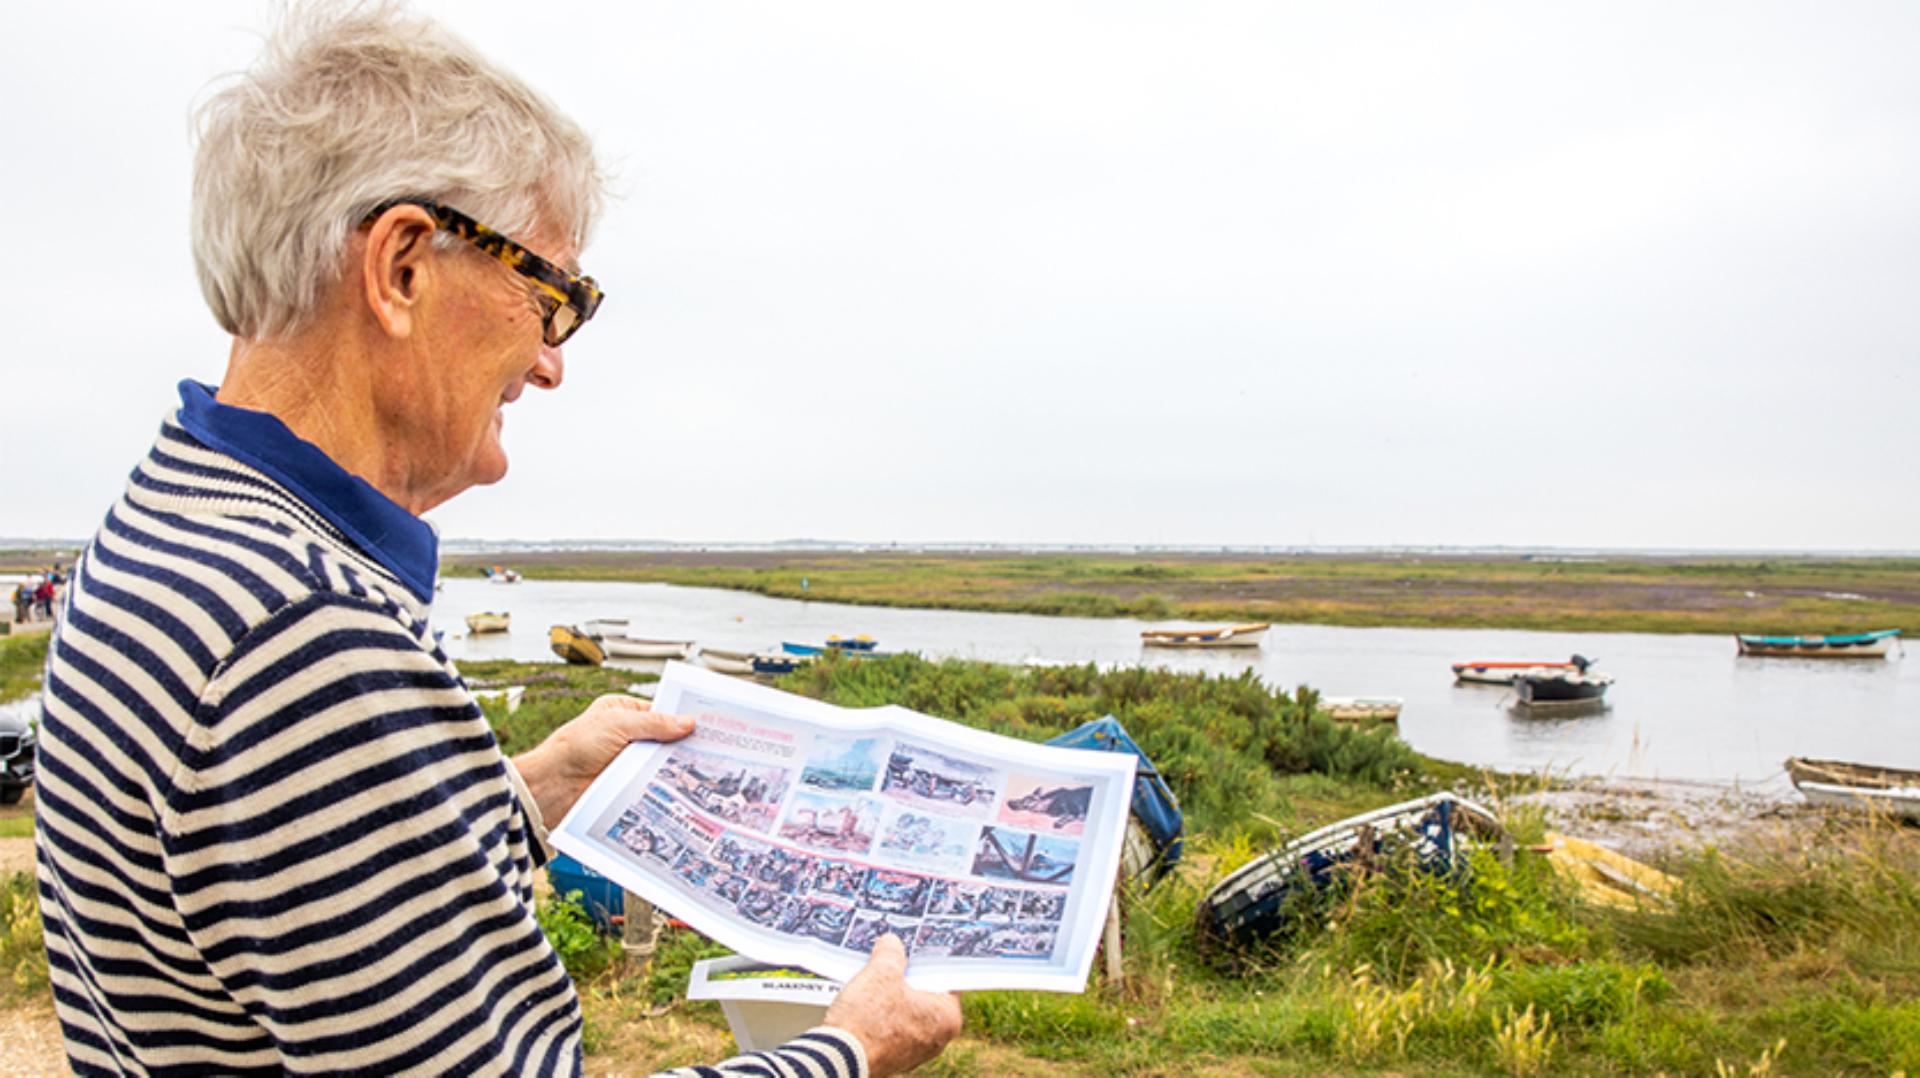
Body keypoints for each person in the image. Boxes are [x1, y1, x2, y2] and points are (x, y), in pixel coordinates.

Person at [34, 5, 960, 1076]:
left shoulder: (177, 521)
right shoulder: (309, 639)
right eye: (551, 293)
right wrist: (846, 1048)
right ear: (402, 269)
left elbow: (309, 897)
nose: (554, 359)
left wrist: (533, 784)